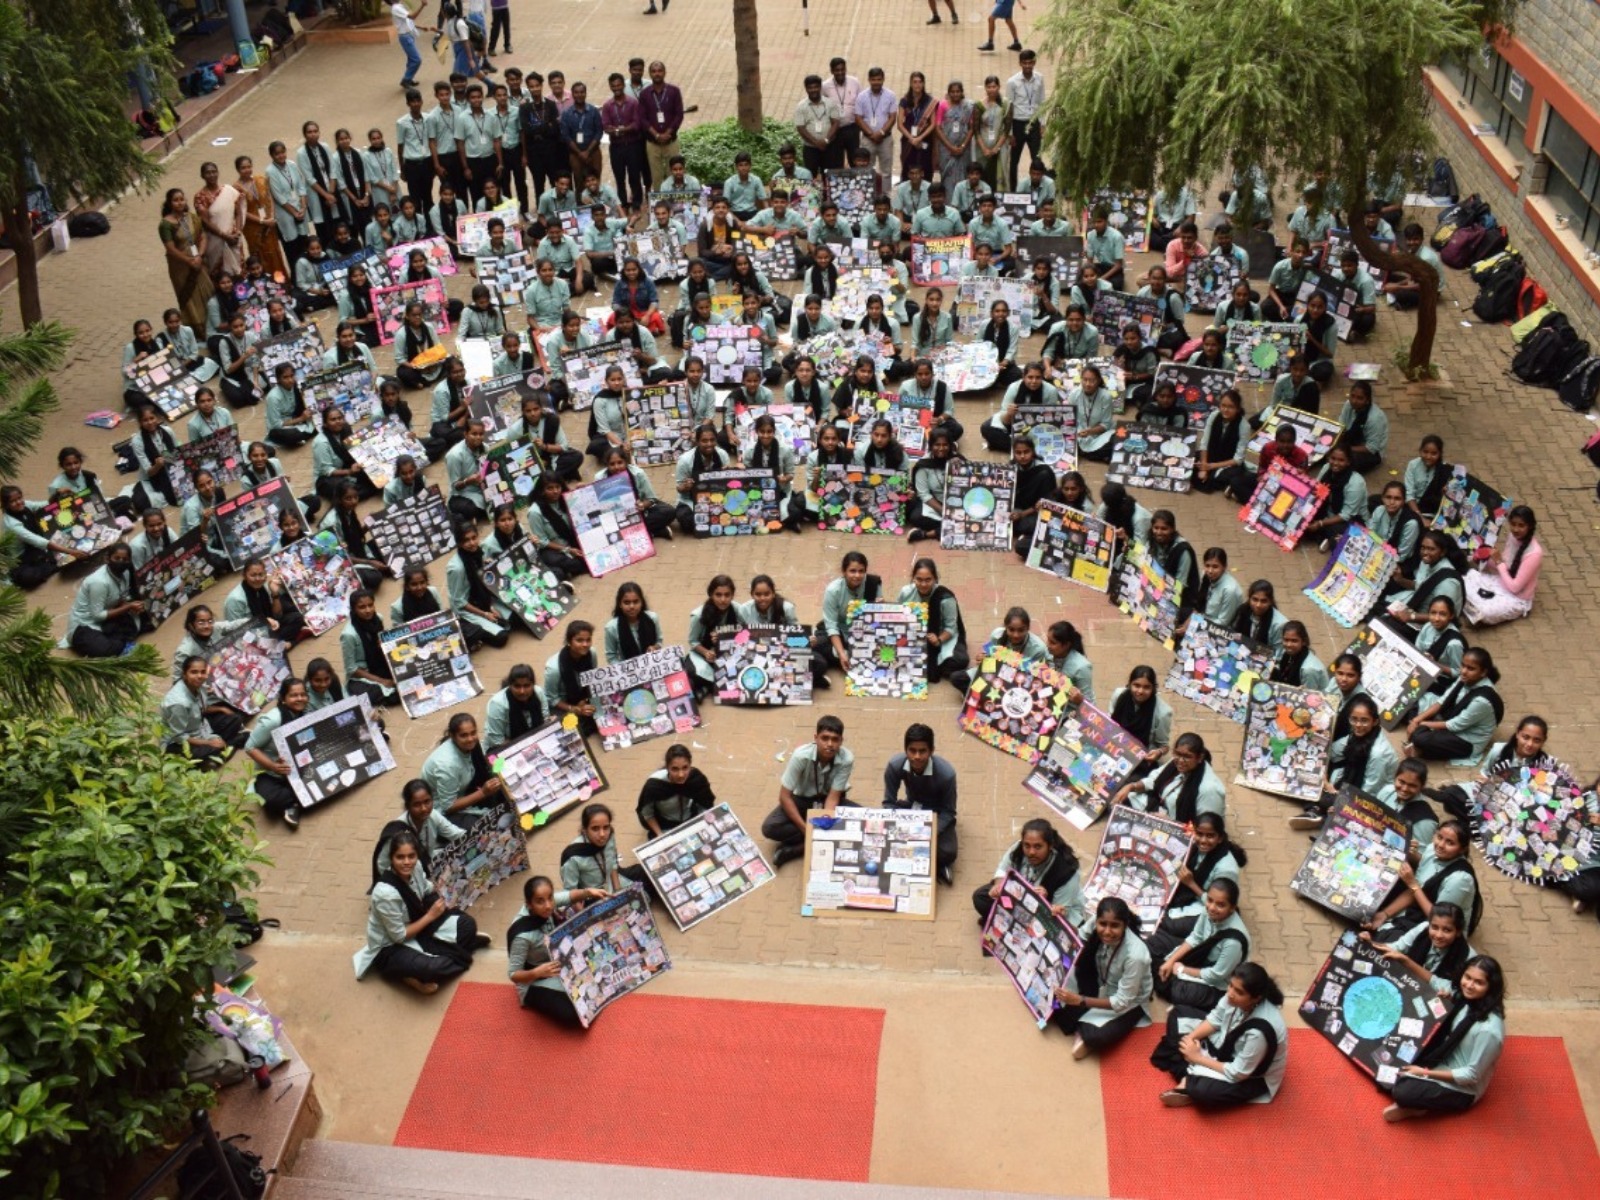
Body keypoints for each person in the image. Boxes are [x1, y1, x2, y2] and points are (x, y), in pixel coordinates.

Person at [355, 830, 487, 994]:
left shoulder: (415, 867)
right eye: (400, 857)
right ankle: (412, 974)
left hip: (419, 920)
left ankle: (454, 949)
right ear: (391, 858)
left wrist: (447, 889)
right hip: (391, 946)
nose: (406, 862)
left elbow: (426, 889)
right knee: (430, 968)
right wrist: (431, 916)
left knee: (468, 925)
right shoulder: (385, 894)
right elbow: (399, 936)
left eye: (411, 856)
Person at [1381, 956, 1506, 1120]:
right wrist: (1403, 958)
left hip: (1461, 1086)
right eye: (1467, 977)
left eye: (1478, 982)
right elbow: (1433, 980)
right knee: (1392, 1056)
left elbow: (1471, 1075)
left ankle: (1418, 1107)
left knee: (1403, 1090)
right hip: (1441, 1057)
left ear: (1490, 987)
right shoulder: (1461, 995)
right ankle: (1418, 1097)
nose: (1469, 985)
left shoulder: (1489, 1030)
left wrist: (1424, 1073)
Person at [1152, 962, 1290, 1109]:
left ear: (1256, 998)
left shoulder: (1259, 1033)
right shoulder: (1232, 996)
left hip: (1247, 1073)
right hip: (1221, 1045)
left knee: (1203, 1091)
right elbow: (1215, 1020)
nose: (1230, 993)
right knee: (1178, 1014)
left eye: (1239, 992)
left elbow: (1238, 1072)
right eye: (1230, 985)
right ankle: (1192, 1076)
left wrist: (1197, 1058)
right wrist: (1190, 1039)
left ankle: (1190, 1080)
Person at [1051, 897, 1153, 1059]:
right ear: (1097, 920)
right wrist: (1062, 919)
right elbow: (1078, 939)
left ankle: (1087, 1031)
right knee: (1056, 1003)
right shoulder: (1095, 923)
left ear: (1125, 925)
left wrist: (1080, 1000)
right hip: (1101, 982)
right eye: (1103, 924)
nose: (1107, 931)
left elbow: (1121, 1001)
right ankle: (1085, 1022)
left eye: (1115, 926)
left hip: (1130, 1000)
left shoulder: (1135, 956)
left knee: (1094, 1035)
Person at [506, 874, 604, 1025]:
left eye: (550, 898)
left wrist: (589, 892)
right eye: (540, 901)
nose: (548, 906)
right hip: (535, 979)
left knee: (596, 962)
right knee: (574, 1014)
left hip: (556, 962)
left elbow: (569, 896)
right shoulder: (523, 936)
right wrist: (537, 972)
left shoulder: (548, 904)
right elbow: (513, 974)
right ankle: (534, 998)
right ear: (529, 904)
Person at [1290, 696, 1398, 831]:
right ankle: (1317, 811)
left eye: (1364, 721)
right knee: (1309, 772)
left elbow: (1368, 793)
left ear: (1375, 721)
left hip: (1371, 798)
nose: (1358, 725)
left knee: (1332, 799)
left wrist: (1331, 790)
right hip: (1349, 781)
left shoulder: (1379, 754)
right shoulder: (1356, 735)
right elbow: (1332, 752)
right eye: (1354, 719)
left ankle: (1319, 813)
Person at [762, 714, 854, 866]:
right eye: (825, 738)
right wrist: (805, 829)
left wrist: (827, 821)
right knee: (769, 827)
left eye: (835, 739)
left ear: (841, 741)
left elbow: (833, 797)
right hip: (802, 799)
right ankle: (816, 836)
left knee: (863, 820)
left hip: (828, 799)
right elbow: (784, 797)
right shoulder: (800, 756)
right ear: (816, 738)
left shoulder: (847, 759)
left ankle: (798, 849)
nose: (830, 744)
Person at [1367, 818, 1481, 939]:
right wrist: (1384, 914)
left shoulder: (1460, 880)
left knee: (1383, 942)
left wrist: (1413, 884)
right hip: (1419, 910)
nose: (1440, 845)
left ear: (1462, 849)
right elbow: (1414, 889)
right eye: (1439, 837)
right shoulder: (1432, 850)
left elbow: (1440, 921)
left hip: (1441, 932)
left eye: (1450, 843)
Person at [1149, 877, 1250, 1011]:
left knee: (1178, 991)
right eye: (1209, 900)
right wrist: (1171, 961)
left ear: (1232, 908)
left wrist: (1182, 969)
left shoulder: (1234, 942)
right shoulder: (1208, 911)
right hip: (1200, 955)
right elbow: (1195, 938)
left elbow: (1215, 975)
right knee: (1153, 944)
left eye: (1221, 905)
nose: (1212, 908)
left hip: (1218, 981)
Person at [880, 723, 960, 884]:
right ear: (905, 750)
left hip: (936, 815)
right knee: (881, 833)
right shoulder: (895, 766)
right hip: (912, 808)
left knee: (948, 852)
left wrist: (928, 832)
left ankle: (938, 864)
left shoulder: (947, 774)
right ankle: (929, 861)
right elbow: (888, 803)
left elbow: (949, 812)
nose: (917, 756)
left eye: (922, 751)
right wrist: (902, 826)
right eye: (912, 750)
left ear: (931, 751)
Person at [975, 816, 1082, 929]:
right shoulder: (1018, 848)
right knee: (980, 897)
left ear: (1050, 846)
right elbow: (1002, 870)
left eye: (1038, 847)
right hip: (1021, 897)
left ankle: (1005, 923)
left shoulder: (1067, 872)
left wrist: (1043, 903)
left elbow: (1060, 913)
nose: (1031, 852)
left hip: (1047, 911)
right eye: (1027, 846)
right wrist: (998, 886)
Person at [1363, 902, 1475, 999]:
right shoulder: (1423, 928)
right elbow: (1396, 947)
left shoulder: (1468, 957)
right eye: (1434, 927)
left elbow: (1452, 990)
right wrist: (1370, 943)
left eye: (1447, 930)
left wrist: (1407, 962)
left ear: (1458, 932)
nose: (1439, 935)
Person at [1112, 732, 1226, 823]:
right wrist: (1131, 786)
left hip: (1184, 829)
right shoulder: (1175, 763)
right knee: (1123, 793)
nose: (1180, 761)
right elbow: (1154, 780)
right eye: (1177, 754)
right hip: (1161, 810)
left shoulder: (1210, 789)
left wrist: (1171, 823)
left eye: (1187, 757)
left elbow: (1207, 826)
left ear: (1200, 758)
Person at [421, 712, 505, 830]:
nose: (470, 739)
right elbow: (448, 806)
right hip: (440, 808)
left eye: (473, 733)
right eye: (464, 735)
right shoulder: (447, 765)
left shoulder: (473, 746)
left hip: (463, 791)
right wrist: (483, 793)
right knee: (480, 828)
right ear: (453, 736)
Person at [1463, 505, 1541, 626]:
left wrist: (1498, 561)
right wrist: (1484, 558)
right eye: (1513, 524)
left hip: (1517, 598)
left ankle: (1466, 604)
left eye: (1521, 525)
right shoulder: (1512, 536)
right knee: (1465, 579)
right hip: (1501, 583)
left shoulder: (1534, 553)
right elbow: (1506, 565)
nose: (1516, 529)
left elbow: (1515, 587)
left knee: (1484, 612)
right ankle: (1467, 604)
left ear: (1529, 526)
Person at [898, 556, 969, 689]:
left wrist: (939, 640)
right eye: (919, 579)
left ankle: (929, 663)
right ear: (913, 578)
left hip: (940, 637)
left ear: (935, 578)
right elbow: (899, 616)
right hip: (913, 636)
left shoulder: (945, 598)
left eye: (928, 580)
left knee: (960, 660)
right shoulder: (905, 592)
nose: (923, 584)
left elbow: (951, 628)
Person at [161, 657, 246, 767]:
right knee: (208, 749)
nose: (199, 676)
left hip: (200, 727)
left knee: (235, 718)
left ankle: (219, 753)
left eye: (203, 672)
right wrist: (208, 742)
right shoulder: (178, 703)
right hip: (177, 742)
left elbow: (199, 708)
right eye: (194, 672)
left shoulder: (198, 686)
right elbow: (178, 736)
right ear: (184, 675)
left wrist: (221, 709)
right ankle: (232, 743)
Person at [65, 544, 142, 658]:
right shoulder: (99, 582)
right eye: (116, 558)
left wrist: (131, 606)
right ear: (107, 558)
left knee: (139, 622)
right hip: (84, 625)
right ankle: (118, 645)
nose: (121, 562)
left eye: (125, 560)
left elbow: (121, 597)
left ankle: (118, 643)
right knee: (103, 649)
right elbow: (97, 616)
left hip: (108, 615)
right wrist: (128, 607)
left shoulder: (125, 573)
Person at [561, 802, 652, 898]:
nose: (602, 834)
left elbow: (613, 863)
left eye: (606, 827)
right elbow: (571, 892)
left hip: (611, 881)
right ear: (584, 830)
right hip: (592, 895)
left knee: (647, 871)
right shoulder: (573, 856)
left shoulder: (609, 836)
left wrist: (618, 891)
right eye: (595, 829)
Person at [158, 189, 215, 334]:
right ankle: (198, 330)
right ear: (169, 203)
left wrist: (199, 256)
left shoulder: (193, 217)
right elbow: (170, 248)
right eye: (175, 200)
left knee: (207, 289)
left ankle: (214, 323)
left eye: (182, 199)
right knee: (189, 296)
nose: (179, 203)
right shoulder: (165, 224)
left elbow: (202, 237)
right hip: (180, 266)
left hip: (198, 261)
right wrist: (189, 261)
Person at [637, 744, 716, 837]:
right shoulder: (654, 786)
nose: (681, 775)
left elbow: (705, 802)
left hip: (692, 818)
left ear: (690, 765)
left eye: (685, 768)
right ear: (667, 768)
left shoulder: (696, 778)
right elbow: (648, 814)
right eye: (675, 769)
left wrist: (703, 822)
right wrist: (660, 834)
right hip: (666, 826)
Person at [340, 590, 399, 707]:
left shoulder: (378, 618)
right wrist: (381, 681)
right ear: (353, 609)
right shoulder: (349, 635)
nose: (368, 610)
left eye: (370, 605)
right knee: (381, 694)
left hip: (379, 663)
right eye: (362, 607)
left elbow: (384, 644)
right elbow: (352, 669)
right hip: (363, 673)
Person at [686, 575, 741, 700]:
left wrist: (728, 638)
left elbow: (747, 632)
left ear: (732, 595)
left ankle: (706, 688)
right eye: (718, 595)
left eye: (727, 595)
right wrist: (706, 652)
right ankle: (708, 687)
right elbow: (693, 641)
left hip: (730, 653)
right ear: (711, 594)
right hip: (705, 655)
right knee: (691, 671)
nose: (723, 599)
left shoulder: (738, 610)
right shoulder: (698, 615)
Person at [543, 620, 599, 735]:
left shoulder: (592, 653)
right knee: (569, 731)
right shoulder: (554, 669)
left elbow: (592, 678)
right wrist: (575, 709)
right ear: (569, 641)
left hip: (583, 696)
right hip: (563, 703)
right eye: (579, 640)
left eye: (588, 640)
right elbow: (552, 699)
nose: (585, 644)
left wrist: (584, 701)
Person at [1004, 49, 1046, 179]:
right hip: (1018, 124)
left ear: (1034, 62)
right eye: (1024, 63)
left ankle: (1037, 187)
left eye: (1030, 63)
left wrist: (1043, 124)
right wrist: (1010, 132)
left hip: (1033, 123)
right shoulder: (1012, 82)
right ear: (1020, 63)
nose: (1027, 66)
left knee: (1037, 159)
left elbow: (1042, 101)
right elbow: (1008, 108)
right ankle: (1012, 190)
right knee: (1014, 161)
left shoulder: (1039, 78)